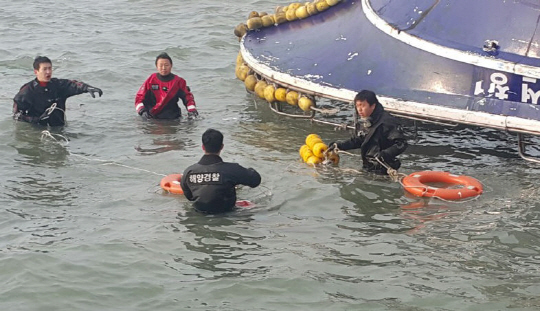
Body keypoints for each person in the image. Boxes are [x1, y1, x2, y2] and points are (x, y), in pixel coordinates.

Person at [181, 129, 261, 214]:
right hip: (228, 215)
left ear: (203, 147)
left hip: (199, 214)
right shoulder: (232, 169)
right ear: (222, 146)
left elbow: (189, 197)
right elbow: (255, 181)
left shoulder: (189, 172)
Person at [328, 90, 407, 174]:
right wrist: (339, 145)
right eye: (357, 106)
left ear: (373, 106)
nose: (359, 110)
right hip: (368, 166)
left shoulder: (388, 122)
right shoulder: (366, 121)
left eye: (362, 106)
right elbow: (358, 140)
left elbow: (401, 143)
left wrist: (385, 154)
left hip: (385, 168)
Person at [13, 56, 103, 127]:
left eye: (50, 68)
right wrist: (37, 119)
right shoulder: (27, 91)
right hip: (38, 129)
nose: (48, 72)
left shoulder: (58, 85)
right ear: (36, 72)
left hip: (59, 127)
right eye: (44, 69)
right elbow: (16, 115)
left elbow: (74, 85)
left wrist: (87, 88)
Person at [135, 52, 198, 120]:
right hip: (152, 118)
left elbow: (188, 98)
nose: (164, 68)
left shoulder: (178, 82)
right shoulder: (151, 80)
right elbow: (139, 98)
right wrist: (142, 111)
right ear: (156, 66)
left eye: (166, 65)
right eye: (161, 65)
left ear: (171, 65)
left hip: (173, 118)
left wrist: (192, 111)